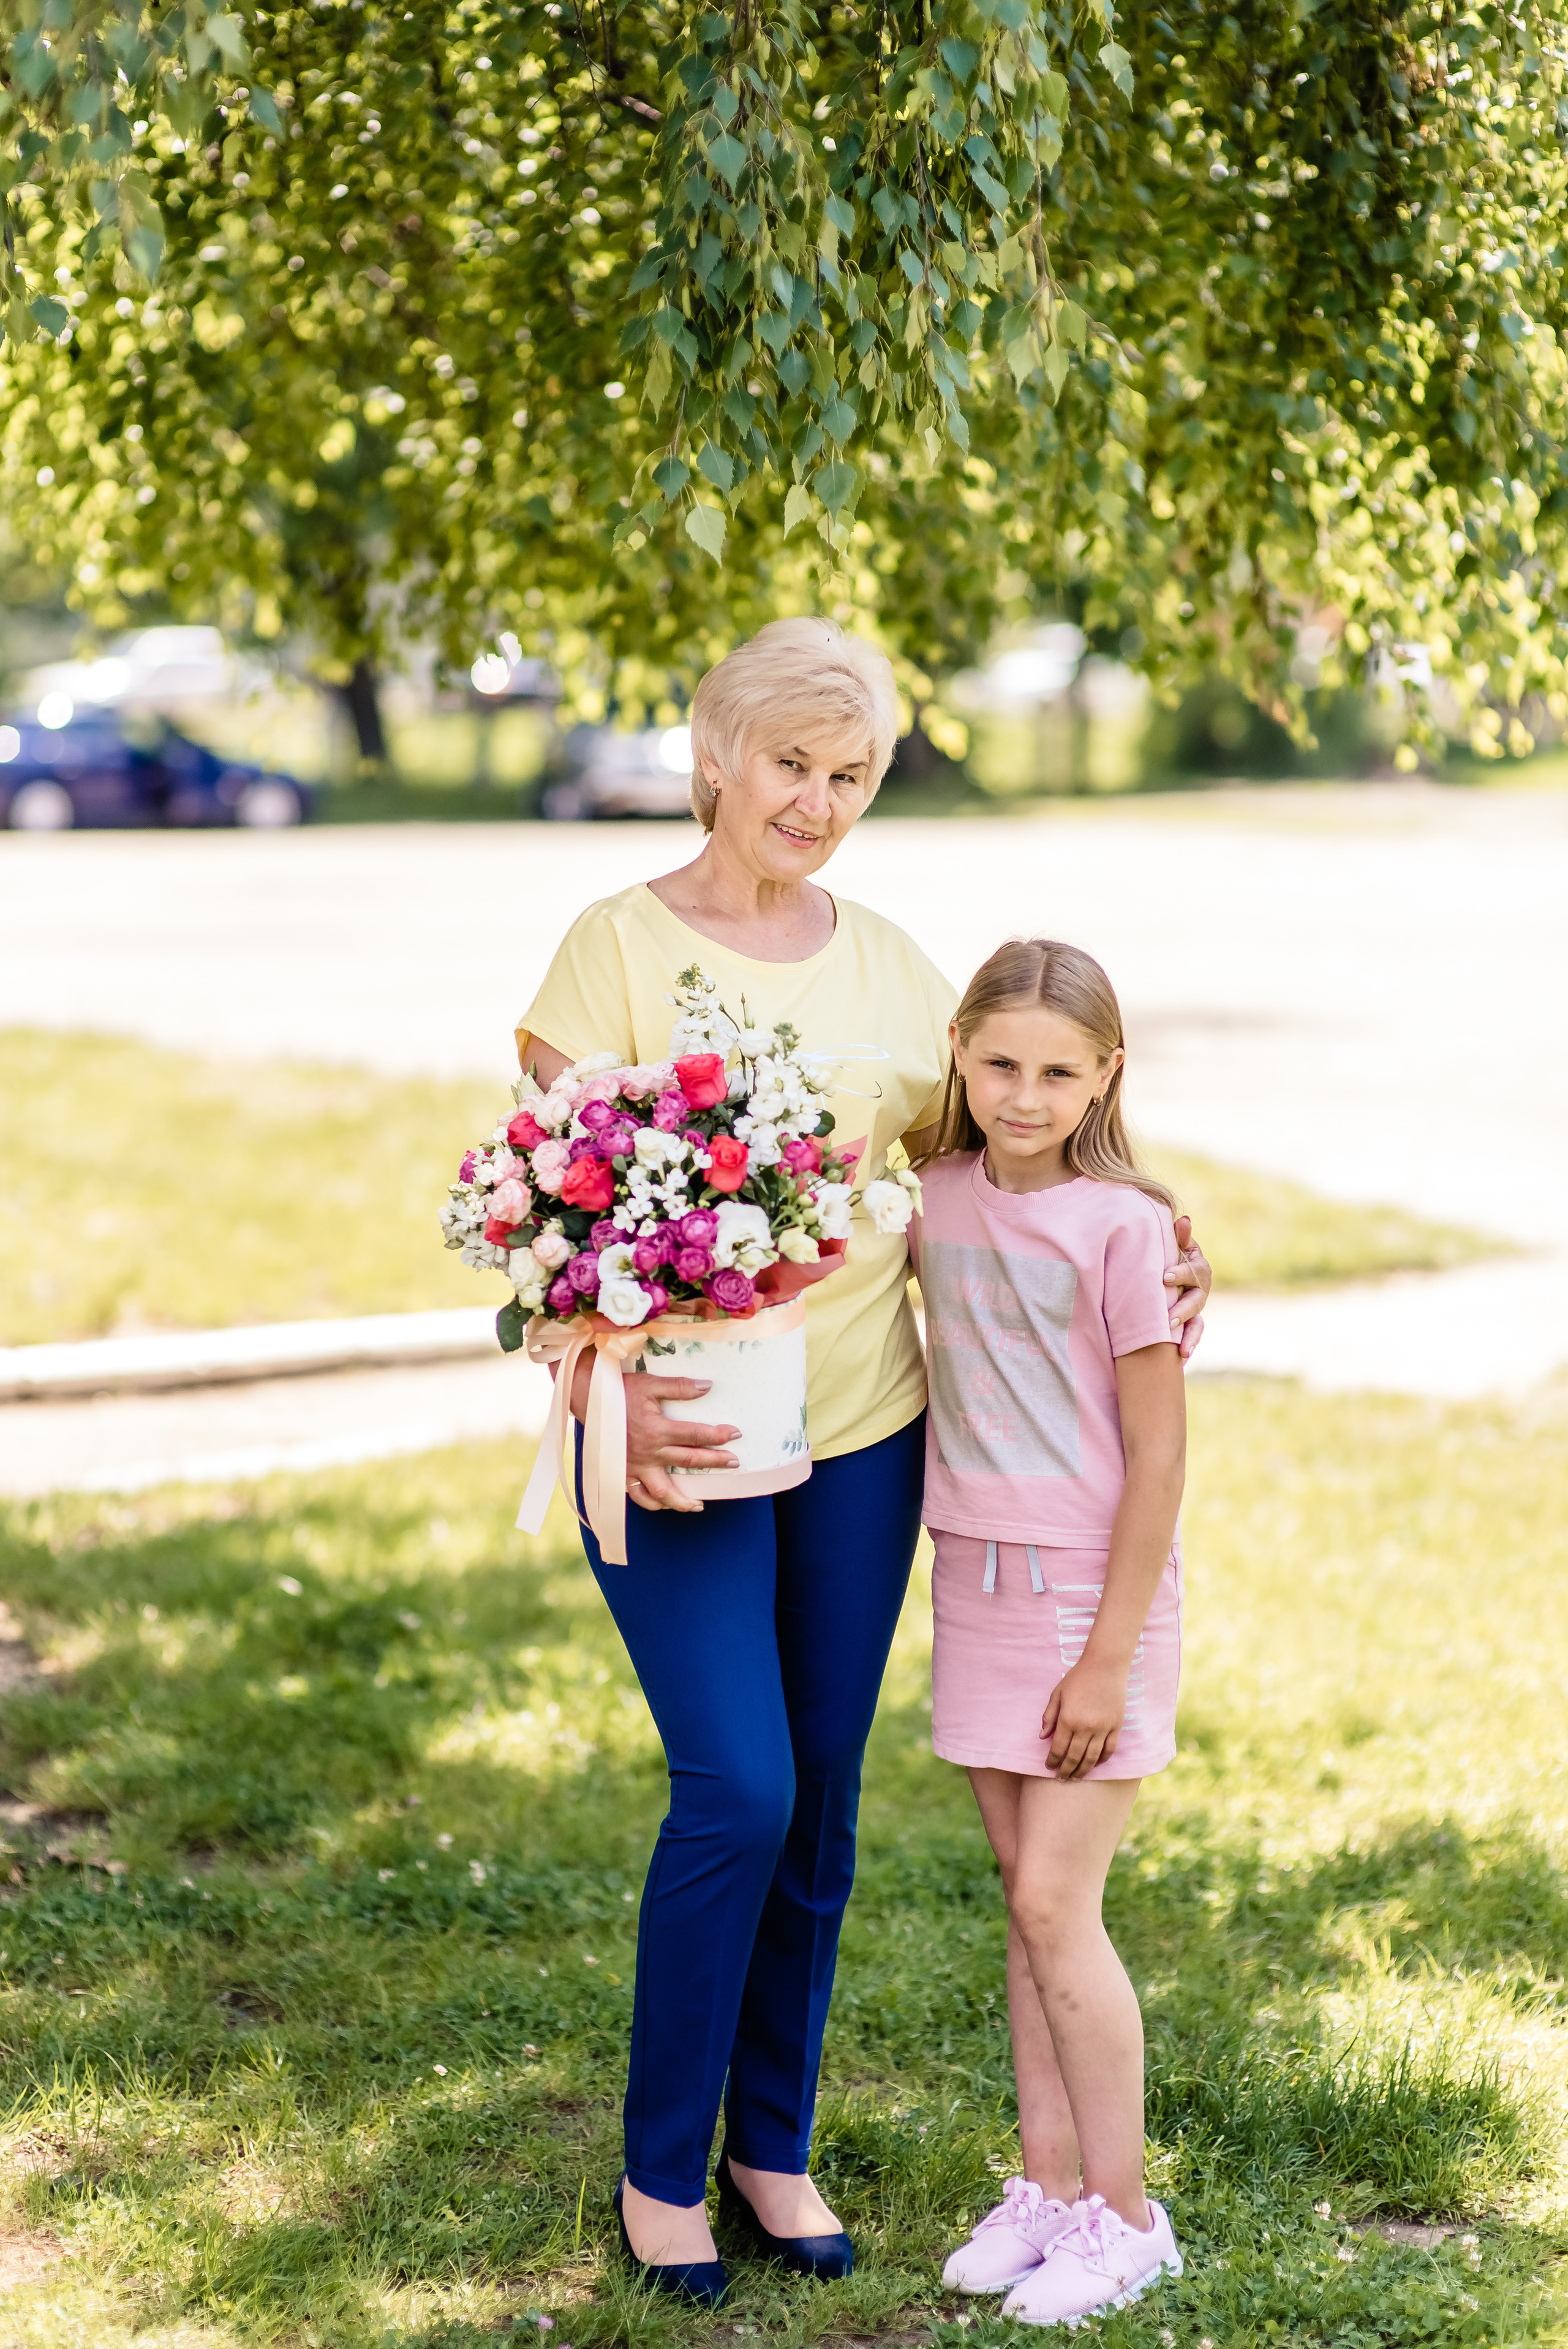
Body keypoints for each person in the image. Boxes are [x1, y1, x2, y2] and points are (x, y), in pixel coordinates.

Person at [514, 622, 1211, 2306]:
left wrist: (1174, 1243)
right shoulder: (608, 951)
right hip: (676, 1444)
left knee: (819, 1807)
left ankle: (773, 2144)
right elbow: (544, 1233)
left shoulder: (901, 970)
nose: (816, 801)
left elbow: (1009, 1165)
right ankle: (659, 2164)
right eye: (788, 765)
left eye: (850, 774)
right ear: (713, 756)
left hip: (862, 1445)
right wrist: (592, 1386)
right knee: (736, 1789)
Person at [913, 938, 1188, 2327]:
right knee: (1023, 1913)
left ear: (1104, 1077)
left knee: (1051, 1906)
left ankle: (1126, 2218)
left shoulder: (1123, 1227)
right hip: (971, 1580)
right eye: (1001, 1063)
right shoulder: (929, 1198)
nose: (1025, 1096)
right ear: (957, 1049)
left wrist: (1106, 1650)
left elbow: (1156, 1459)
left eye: (1058, 1072)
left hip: (1092, 1595)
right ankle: (1046, 2191)